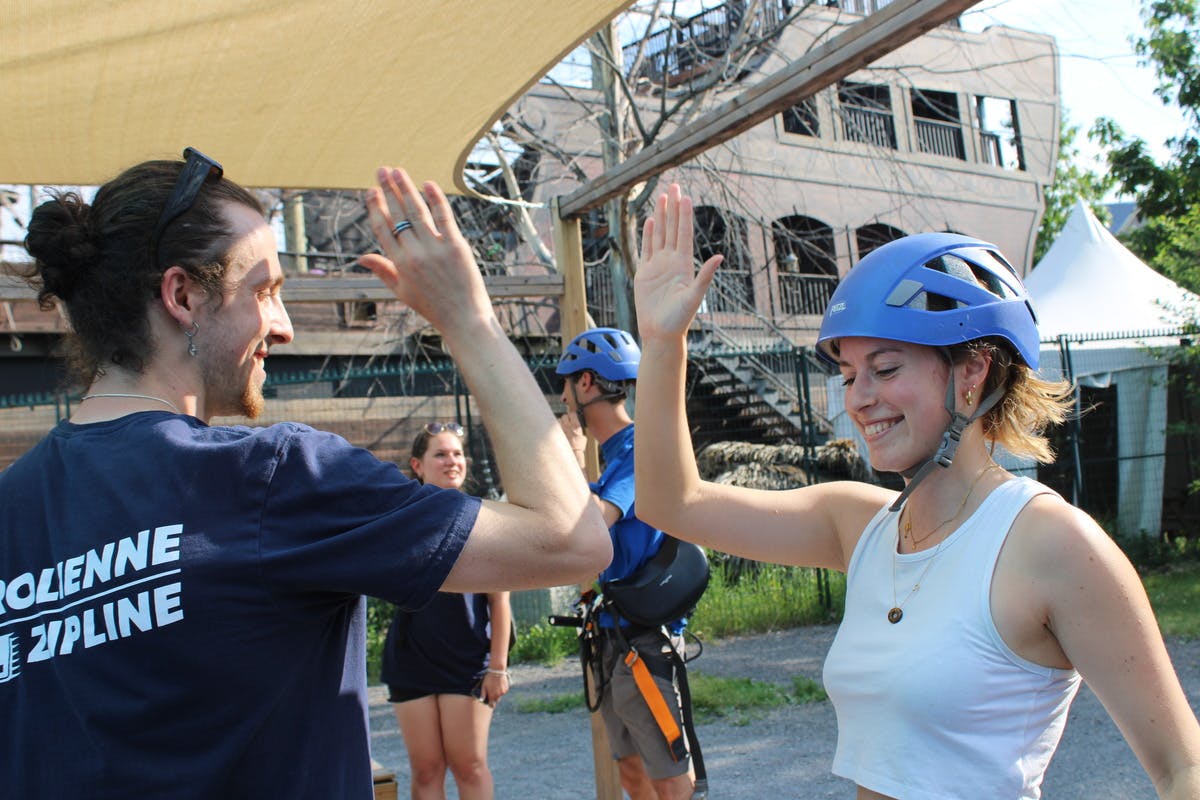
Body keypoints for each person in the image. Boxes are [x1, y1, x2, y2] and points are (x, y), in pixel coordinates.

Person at [1, 149, 609, 798]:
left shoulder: (11, 507)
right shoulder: (274, 476)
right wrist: (468, 320)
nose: (284, 327)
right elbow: (571, 540)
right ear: (181, 295)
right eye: (263, 292)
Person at [630, 184, 1200, 799]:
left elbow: (1181, 766)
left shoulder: (1051, 543)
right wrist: (664, 344)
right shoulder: (860, 524)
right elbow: (671, 504)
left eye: (887, 368)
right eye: (850, 375)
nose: (859, 398)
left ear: (972, 372)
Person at [556, 327, 699, 800]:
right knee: (633, 773)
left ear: (587, 384)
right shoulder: (616, 454)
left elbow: (592, 522)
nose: (562, 396)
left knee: (668, 773)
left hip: (645, 639)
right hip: (614, 633)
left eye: (566, 382)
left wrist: (572, 456)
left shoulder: (641, 448)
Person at [381, 421, 512, 800]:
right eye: (440, 454)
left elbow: (499, 600)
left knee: (469, 765)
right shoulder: (400, 520)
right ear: (417, 465)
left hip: (468, 662)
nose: (451, 461)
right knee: (426, 770)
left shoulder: (486, 518)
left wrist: (498, 666)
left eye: (457, 453)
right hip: (411, 660)